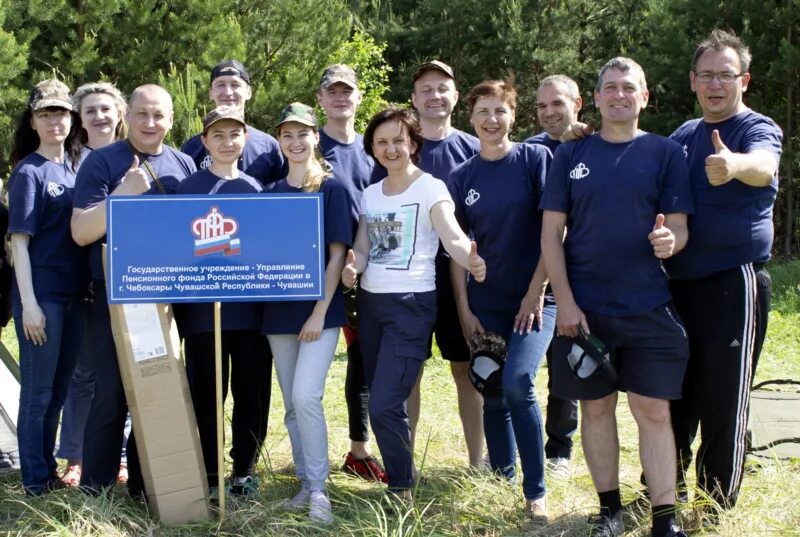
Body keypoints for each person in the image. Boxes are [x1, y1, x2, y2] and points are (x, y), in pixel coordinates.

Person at [540, 57, 692, 537]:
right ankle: (609, 511)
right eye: (610, 87)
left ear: (644, 96)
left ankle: (664, 521)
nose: (620, 95)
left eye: (629, 87)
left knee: (653, 411)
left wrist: (672, 242)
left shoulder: (666, 153)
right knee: (597, 408)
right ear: (598, 97)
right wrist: (564, 301)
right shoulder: (569, 154)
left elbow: (680, 226)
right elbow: (550, 235)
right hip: (584, 311)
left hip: (648, 305)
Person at [666, 29, 782, 519]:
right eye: (707, 75)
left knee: (723, 396)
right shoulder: (682, 136)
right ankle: (664, 494)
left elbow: (764, 165)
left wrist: (734, 164)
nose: (716, 84)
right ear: (693, 81)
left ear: (744, 80)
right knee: (674, 392)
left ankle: (714, 506)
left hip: (733, 283)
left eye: (726, 75)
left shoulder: (757, 128)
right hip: (675, 285)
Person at [341, 106, 486, 499]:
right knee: (387, 397)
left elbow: (452, 234)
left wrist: (468, 258)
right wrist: (353, 270)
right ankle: (403, 477)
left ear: (413, 143)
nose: (391, 149)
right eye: (382, 142)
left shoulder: (430, 188)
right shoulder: (371, 194)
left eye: (398, 141)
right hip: (372, 306)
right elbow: (364, 248)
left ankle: (400, 486)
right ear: (372, 147)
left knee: (385, 402)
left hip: (412, 304)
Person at [72, 84, 196, 496]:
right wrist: (122, 195)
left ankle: (146, 485)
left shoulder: (183, 164)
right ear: (129, 115)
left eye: (158, 115)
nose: (150, 123)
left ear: (171, 120)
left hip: (168, 297)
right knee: (111, 393)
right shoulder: (103, 163)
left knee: (159, 393)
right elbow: (81, 232)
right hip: (115, 297)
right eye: (142, 114)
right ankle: (96, 489)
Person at [448, 79, 553, 520]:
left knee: (517, 383)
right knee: (490, 387)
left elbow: (555, 231)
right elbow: (457, 250)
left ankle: (536, 492)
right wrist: (465, 309)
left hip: (536, 300)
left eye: (501, 111)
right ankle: (502, 481)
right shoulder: (462, 176)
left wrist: (535, 292)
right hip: (484, 303)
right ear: (470, 119)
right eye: (483, 112)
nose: (492, 120)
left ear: (514, 115)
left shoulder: (534, 159)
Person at [174, 106, 272, 498]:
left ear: (244, 139)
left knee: (252, 393)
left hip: (249, 314)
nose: (227, 142)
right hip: (203, 315)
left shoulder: (255, 189)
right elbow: (177, 248)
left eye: (234, 134)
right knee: (207, 396)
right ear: (205, 141)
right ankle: (210, 473)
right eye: (218, 135)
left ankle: (244, 469)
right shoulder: (190, 188)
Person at [261, 103, 351, 524]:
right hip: (278, 314)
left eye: (303, 134)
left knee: (306, 395)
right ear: (280, 141)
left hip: (321, 314)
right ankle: (303, 482)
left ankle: (320, 490)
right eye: (287, 135)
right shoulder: (272, 194)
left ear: (317, 136)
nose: (295, 142)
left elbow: (337, 255)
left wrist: (319, 312)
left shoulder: (331, 188)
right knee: (292, 406)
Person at [7, 79, 87, 495]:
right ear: (33, 122)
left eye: (61, 112)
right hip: (43, 298)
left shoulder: (75, 170)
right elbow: (18, 243)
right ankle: (34, 481)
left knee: (58, 392)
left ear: (72, 119)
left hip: (75, 297)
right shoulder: (29, 172)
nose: (55, 120)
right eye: (45, 113)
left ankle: (48, 474)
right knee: (38, 394)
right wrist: (30, 304)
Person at [407, 60, 483, 467]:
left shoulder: (474, 147)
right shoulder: (402, 147)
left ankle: (477, 460)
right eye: (426, 90)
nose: (435, 96)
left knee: (466, 370)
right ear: (414, 99)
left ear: (455, 96)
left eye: (442, 88)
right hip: (410, 278)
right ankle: (404, 464)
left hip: (462, 277)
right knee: (410, 374)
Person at [56, 81, 130, 488]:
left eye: (106, 109)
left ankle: (117, 458)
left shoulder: (131, 158)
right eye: (90, 111)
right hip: (76, 281)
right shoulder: (64, 161)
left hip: (119, 281)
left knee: (121, 375)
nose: (99, 116)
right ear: (78, 120)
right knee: (82, 374)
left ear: (119, 113)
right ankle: (76, 457)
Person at [316, 63, 387, 482]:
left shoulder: (373, 147)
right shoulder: (310, 146)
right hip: (326, 271)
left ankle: (359, 450)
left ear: (359, 97)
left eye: (348, 91)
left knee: (363, 360)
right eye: (332, 92)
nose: (341, 98)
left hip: (373, 269)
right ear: (321, 99)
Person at [524, 74, 583, 478]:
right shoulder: (528, 151)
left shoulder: (590, 145)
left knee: (565, 366)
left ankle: (559, 447)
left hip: (573, 274)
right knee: (519, 368)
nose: (549, 113)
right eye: (542, 106)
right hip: (527, 275)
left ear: (578, 103)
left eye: (557, 104)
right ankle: (511, 444)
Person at [181, 59, 285, 187]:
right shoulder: (192, 147)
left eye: (235, 84)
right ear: (210, 93)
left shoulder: (269, 146)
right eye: (220, 85)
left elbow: (280, 195)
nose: (228, 92)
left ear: (248, 92)